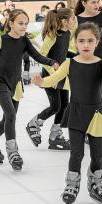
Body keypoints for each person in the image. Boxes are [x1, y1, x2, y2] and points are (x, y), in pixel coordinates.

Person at [31, 22, 102, 204]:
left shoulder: (101, 63)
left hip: (96, 115)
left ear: (97, 42)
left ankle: (96, 182)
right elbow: (53, 79)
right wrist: (41, 81)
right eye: (81, 41)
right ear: (76, 42)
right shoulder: (69, 63)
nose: (86, 44)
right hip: (76, 113)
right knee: (76, 153)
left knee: (98, 154)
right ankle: (71, 185)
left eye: (90, 40)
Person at [0, 9, 57, 171]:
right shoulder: (1, 40)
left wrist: (52, 62)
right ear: (11, 23)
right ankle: (13, 152)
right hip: (0, 83)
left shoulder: (24, 41)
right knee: (11, 115)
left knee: (8, 118)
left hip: (15, 84)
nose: (24, 26)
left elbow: (37, 57)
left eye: (26, 24)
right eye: (20, 23)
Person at [26, 8, 76, 151]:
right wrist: (52, 76)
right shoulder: (52, 35)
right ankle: (34, 124)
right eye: (73, 19)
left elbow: (63, 52)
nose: (75, 21)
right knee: (55, 106)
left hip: (61, 75)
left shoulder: (67, 33)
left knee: (64, 106)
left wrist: (78, 56)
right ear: (64, 21)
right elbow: (42, 56)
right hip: (50, 76)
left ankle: (55, 137)